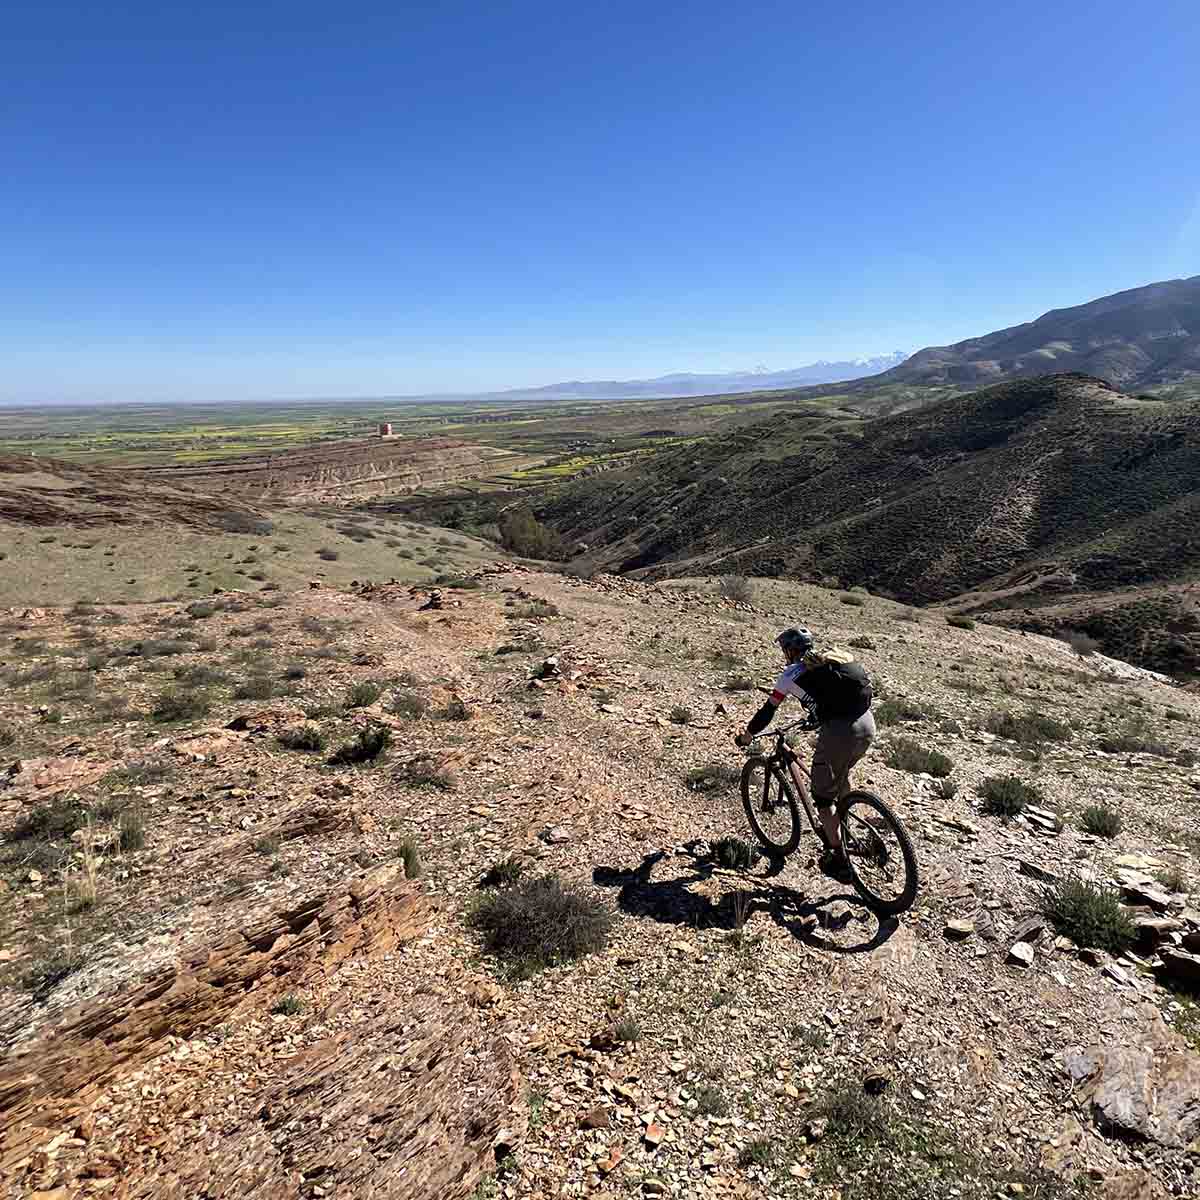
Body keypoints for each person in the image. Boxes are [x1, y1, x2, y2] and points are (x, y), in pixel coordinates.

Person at [735, 626, 875, 878]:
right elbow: (827, 700)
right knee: (840, 774)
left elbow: (768, 711)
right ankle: (848, 824)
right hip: (866, 723)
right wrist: (816, 717)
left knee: (822, 797)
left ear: (790, 651)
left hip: (841, 731)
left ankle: (838, 857)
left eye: (784, 650)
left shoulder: (790, 674)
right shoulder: (830, 660)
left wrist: (747, 736)